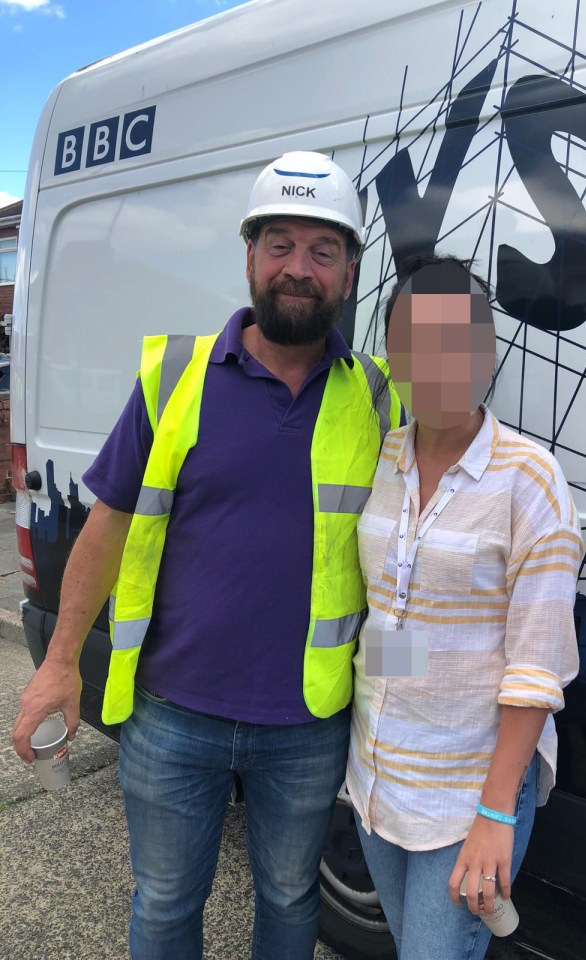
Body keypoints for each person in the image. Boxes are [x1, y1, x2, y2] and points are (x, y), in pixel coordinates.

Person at [11, 151, 401, 960]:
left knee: (291, 902)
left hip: (307, 723)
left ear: (351, 269)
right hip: (170, 714)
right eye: (281, 244)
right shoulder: (177, 376)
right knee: (164, 904)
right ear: (250, 255)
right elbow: (107, 524)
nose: (300, 269)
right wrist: (54, 665)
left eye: (323, 250)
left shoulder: (376, 397)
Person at [346, 254, 583, 960]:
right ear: (394, 355)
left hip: (466, 793)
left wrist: (492, 812)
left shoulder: (529, 479)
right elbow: (397, 624)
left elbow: (537, 664)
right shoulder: (382, 458)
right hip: (375, 778)